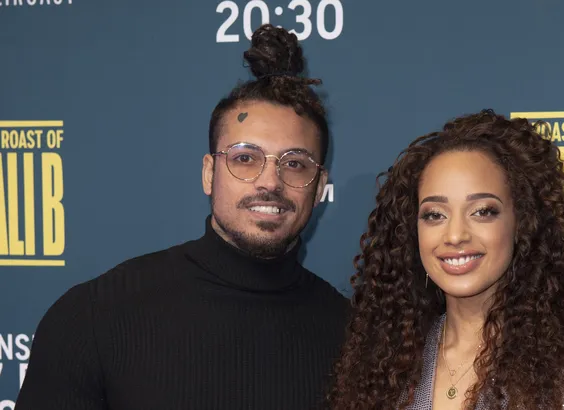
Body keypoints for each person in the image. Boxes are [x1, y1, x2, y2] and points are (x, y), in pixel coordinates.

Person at [16, 24, 349, 410]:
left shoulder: (353, 337)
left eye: (294, 163)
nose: (270, 182)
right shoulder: (94, 317)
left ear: (318, 186)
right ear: (209, 173)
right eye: (245, 158)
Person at [327, 109, 564, 410]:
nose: (455, 235)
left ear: (522, 222)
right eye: (435, 214)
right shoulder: (387, 361)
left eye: (483, 211)